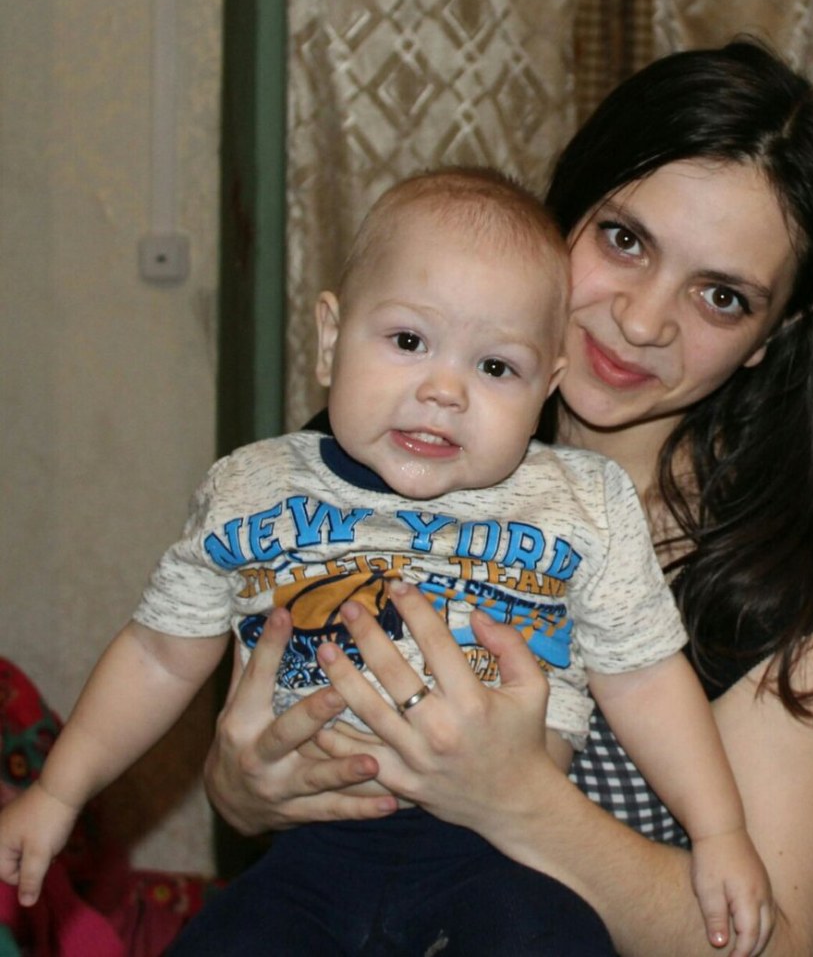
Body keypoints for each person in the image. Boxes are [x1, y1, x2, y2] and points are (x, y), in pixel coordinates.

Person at [203, 38, 813, 956]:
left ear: (773, 335)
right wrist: (240, 786)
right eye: (625, 239)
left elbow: (782, 945)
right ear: (565, 209)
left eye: (721, 296)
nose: (642, 320)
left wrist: (518, 800)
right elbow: (257, 786)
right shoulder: (394, 443)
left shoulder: (780, 596)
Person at [0, 168, 772, 955]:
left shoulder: (581, 505)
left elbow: (645, 677)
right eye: (408, 341)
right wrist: (59, 790)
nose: (444, 390)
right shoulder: (252, 491)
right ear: (330, 338)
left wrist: (720, 830)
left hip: (507, 862)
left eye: (495, 367)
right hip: (311, 855)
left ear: (548, 384)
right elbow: (158, 653)